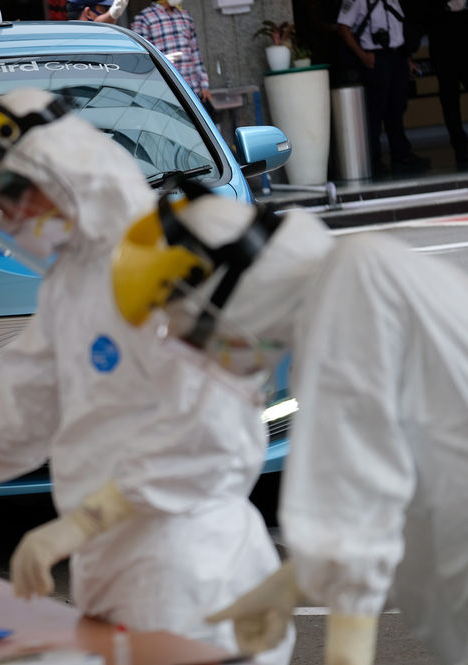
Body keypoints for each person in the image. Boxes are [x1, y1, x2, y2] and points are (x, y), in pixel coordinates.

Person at [0, 87, 293, 665]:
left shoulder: (172, 255)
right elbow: (18, 409)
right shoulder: (72, 279)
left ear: (56, 169)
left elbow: (214, 432)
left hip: (199, 573)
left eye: (7, 199)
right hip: (116, 570)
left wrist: (77, 526)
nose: (6, 220)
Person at [109, 182, 468, 665]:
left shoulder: (354, 283)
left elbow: (358, 480)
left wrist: (347, 643)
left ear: (231, 288)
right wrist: (293, 583)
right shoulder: (346, 289)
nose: (212, 353)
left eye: (199, 329)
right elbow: (401, 469)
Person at [337, 0, 428, 175]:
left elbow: (397, 28)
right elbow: (343, 28)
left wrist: (406, 59)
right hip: (375, 58)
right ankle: (374, 160)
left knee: (397, 108)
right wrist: (362, 55)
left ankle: (401, 154)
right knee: (374, 112)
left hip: (397, 56)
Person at [407, 0, 468, 169]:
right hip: (444, 51)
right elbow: (420, 15)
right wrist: (446, 7)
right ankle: (460, 147)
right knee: (450, 102)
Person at [130, 0, 212, 106]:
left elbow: (195, 52)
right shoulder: (143, 19)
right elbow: (141, 58)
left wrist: (204, 85)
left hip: (192, 89)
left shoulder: (185, 15)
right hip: (165, 91)